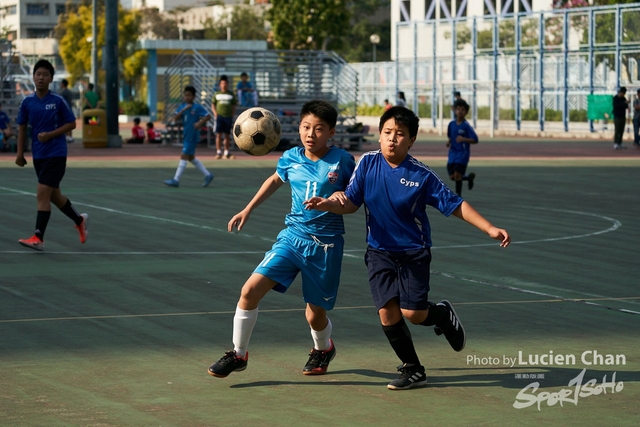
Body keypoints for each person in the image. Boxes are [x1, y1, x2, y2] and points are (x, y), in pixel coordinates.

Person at [304, 106, 510, 391]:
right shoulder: (367, 164)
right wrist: (327, 203)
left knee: (414, 314)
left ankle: (441, 315)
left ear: (411, 140)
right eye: (387, 133)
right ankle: (413, 368)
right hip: (379, 252)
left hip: (414, 252)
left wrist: (489, 228)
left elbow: (454, 203)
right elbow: (351, 202)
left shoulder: (421, 175)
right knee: (388, 313)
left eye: (400, 134)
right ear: (379, 136)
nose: (392, 139)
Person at [208, 100, 356, 379]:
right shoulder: (291, 157)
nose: (311, 134)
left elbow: (353, 202)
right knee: (249, 290)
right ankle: (238, 354)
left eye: (319, 129)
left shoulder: (343, 161)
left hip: (325, 245)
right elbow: (274, 180)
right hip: (292, 237)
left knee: (314, 315)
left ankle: (323, 348)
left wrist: (336, 201)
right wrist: (247, 209)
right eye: (306, 127)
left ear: (332, 132)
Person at [14, 59, 88, 252]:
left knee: (41, 193)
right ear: (33, 77)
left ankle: (38, 237)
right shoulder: (27, 102)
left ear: (51, 79)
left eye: (45, 75)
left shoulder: (57, 101)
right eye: (38, 74)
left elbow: (71, 124)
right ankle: (79, 220)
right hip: (38, 155)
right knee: (54, 196)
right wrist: (20, 154)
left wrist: (51, 135)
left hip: (56, 153)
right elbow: (21, 128)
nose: (41, 78)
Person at [163, 86, 214, 188]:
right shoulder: (183, 106)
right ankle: (208, 175)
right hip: (186, 134)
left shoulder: (197, 107)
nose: (187, 97)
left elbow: (208, 116)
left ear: (194, 97)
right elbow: (175, 118)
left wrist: (200, 123)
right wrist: (183, 110)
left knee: (184, 155)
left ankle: (176, 179)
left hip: (192, 134)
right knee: (191, 157)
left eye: (189, 95)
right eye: (185, 95)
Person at [447, 99, 477, 196]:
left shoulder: (466, 126)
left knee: (457, 175)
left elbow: (475, 139)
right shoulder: (451, 124)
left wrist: (464, 139)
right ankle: (468, 177)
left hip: (462, 154)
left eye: (463, 109)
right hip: (452, 154)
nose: (460, 111)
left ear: (466, 112)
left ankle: (458, 196)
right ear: (455, 110)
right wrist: (449, 141)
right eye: (458, 109)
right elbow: (451, 136)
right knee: (452, 176)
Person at [212, 75, 237, 159]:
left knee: (227, 135)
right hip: (219, 117)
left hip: (228, 117)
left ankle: (226, 152)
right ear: (220, 84)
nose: (224, 85)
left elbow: (234, 105)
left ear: (227, 84)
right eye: (222, 83)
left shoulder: (231, 94)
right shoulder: (216, 94)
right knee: (218, 135)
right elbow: (213, 104)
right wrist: (215, 113)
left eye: (225, 83)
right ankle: (218, 152)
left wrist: (232, 114)